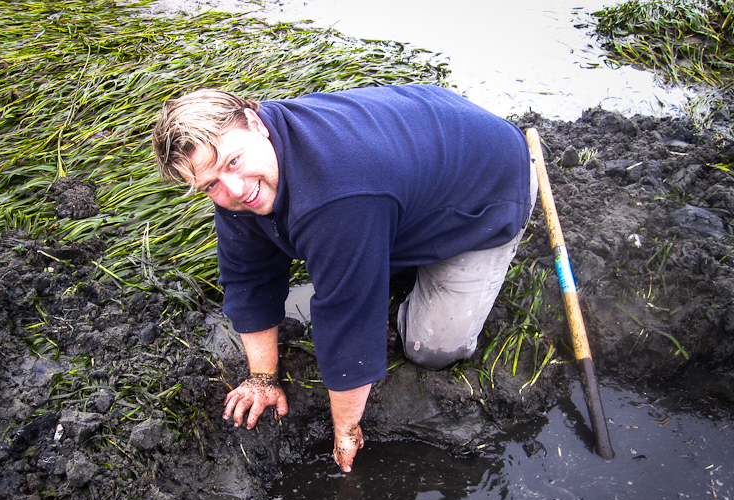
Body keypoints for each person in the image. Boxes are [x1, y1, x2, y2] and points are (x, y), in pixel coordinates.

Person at [152, 84, 537, 472]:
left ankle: (430, 256)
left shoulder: (336, 195)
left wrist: (346, 429)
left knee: (431, 348)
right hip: (407, 159)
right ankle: (392, 239)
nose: (234, 189)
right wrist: (262, 378)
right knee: (353, 241)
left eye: (233, 163)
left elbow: (348, 321)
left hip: (488, 189)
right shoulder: (240, 172)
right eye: (210, 185)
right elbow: (248, 276)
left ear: (255, 122)